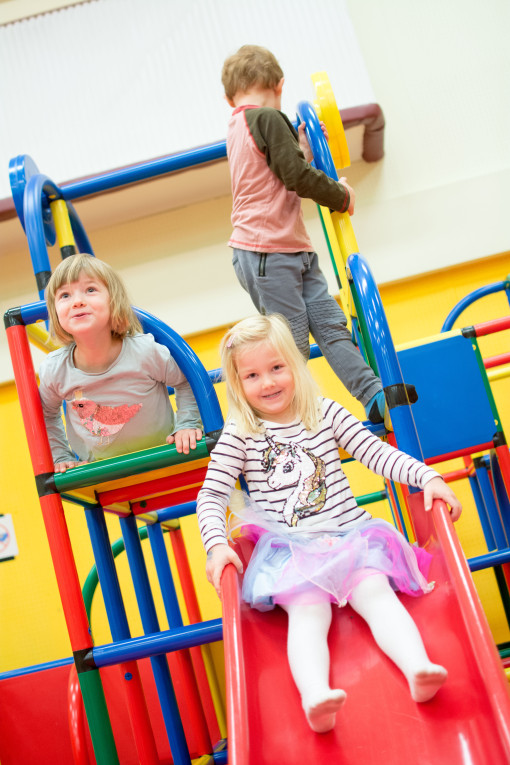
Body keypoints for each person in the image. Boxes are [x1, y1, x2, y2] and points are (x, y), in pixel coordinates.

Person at [196, 314, 462, 734]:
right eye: (252, 375)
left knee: (376, 593)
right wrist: (215, 546)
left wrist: (427, 476)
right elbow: (211, 495)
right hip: (293, 550)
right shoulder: (240, 433)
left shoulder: (323, 412)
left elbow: (377, 454)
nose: (267, 382)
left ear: (295, 366)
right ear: (237, 383)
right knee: (309, 611)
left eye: (277, 368)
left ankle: (418, 669)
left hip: (351, 537)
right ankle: (315, 696)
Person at [221, 44, 386, 424]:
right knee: (289, 344)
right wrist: (341, 194)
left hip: (286, 249)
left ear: (229, 96)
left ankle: (375, 396)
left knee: (331, 326)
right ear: (279, 85)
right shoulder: (267, 117)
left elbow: (278, 171)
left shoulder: (239, 123)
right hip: (266, 251)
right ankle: (290, 426)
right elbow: (294, 177)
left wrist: (302, 148)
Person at [39, 253, 202, 472]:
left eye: (90, 290)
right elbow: (45, 413)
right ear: (55, 312)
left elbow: (187, 381)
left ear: (113, 300)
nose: (77, 301)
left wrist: (187, 425)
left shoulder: (144, 351)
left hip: (166, 453)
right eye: (65, 295)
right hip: (103, 469)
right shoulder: (55, 369)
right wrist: (61, 455)